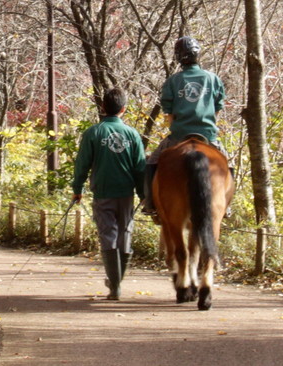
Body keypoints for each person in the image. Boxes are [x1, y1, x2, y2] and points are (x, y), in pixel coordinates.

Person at [141, 35, 228, 221]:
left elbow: (169, 115)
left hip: (179, 136)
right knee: (228, 164)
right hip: (207, 136)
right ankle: (226, 204)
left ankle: (150, 205)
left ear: (178, 57)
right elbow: (217, 110)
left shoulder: (173, 81)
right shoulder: (213, 79)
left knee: (151, 164)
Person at [71, 87, 145, 301]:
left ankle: (115, 286)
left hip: (103, 194)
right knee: (125, 233)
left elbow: (82, 164)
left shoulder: (93, 132)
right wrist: (143, 193)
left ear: (103, 108)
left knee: (108, 235)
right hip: (126, 194)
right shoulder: (132, 134)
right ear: (124, 109)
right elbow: (140, 167)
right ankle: (117, 282)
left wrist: (78, 189)